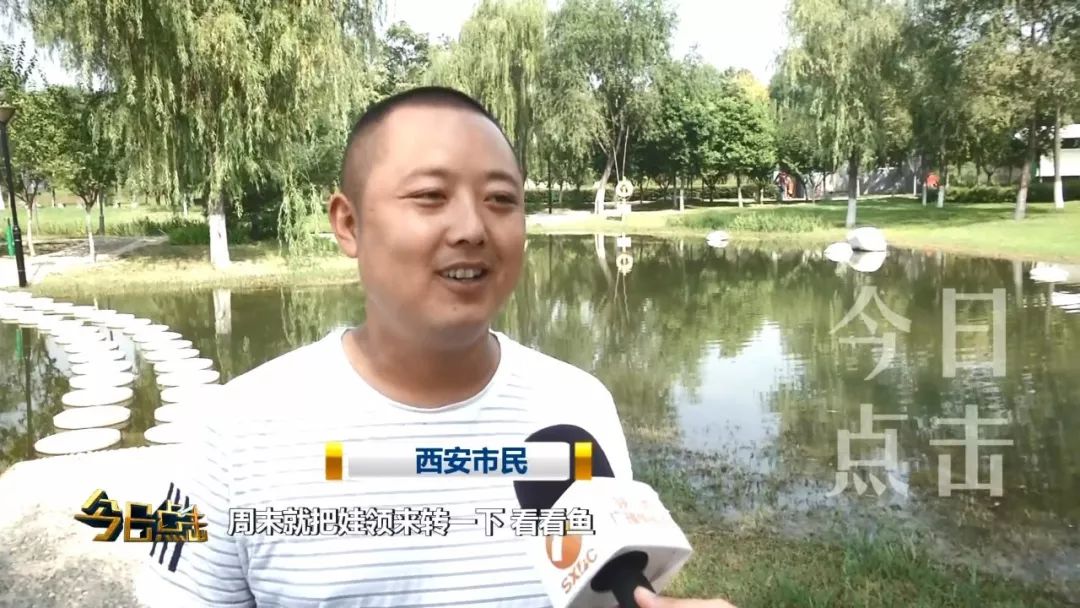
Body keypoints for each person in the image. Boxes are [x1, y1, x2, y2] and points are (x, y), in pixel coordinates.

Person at [133, 86, 737, 608]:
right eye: (429, 196)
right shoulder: (228, 431)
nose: (472, 228)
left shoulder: (580, 406)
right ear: (348, 224)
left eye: (501, 199)